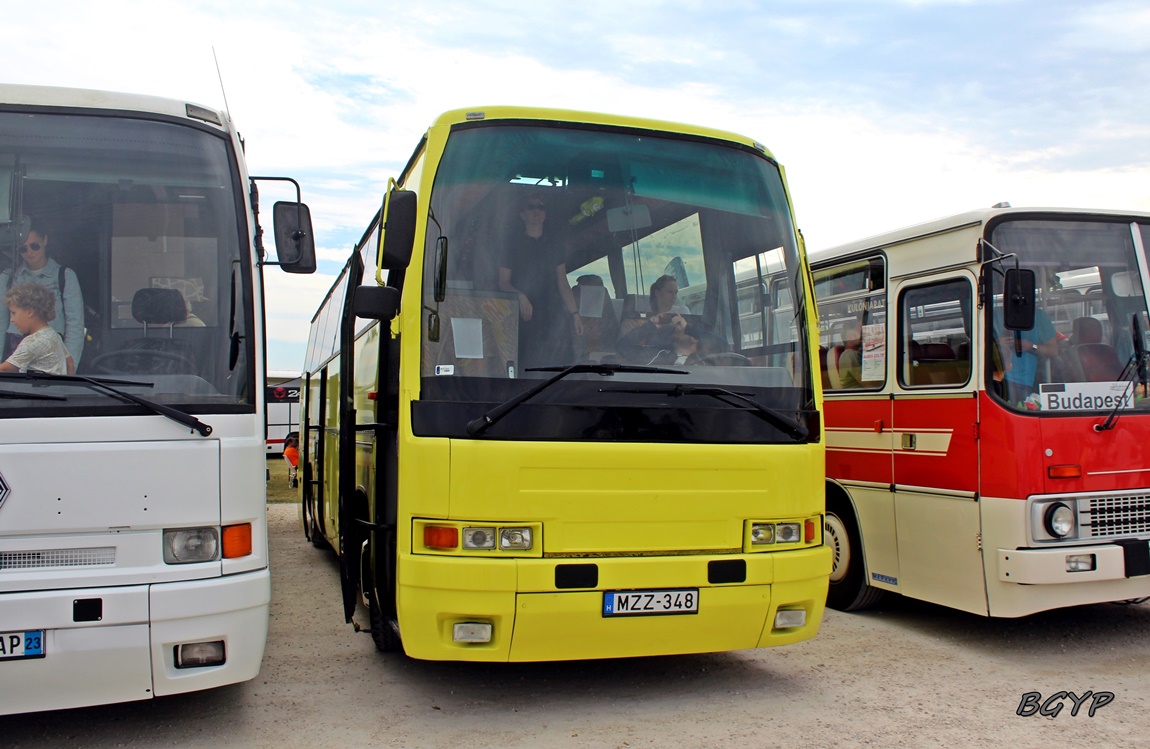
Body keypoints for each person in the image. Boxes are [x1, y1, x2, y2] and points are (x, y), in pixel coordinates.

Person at [498, 196, 582, 367]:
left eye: (540, 207)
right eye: (531, 207)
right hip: (524, 317)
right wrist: (520, 296)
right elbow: (503, 283)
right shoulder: (511, 244)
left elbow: (562, 281)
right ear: (523, 214)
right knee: (525, 363)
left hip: (552, 314)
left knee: (560, 363)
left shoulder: (554, 244)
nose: (536, 211)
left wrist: (575, 314)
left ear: (545, 214)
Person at [0, 218, 85, 370]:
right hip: (15, 352)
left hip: (49, 365)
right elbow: (0, 323)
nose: (29, 252)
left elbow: (75, 326)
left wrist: (67, 377)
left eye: (34, 246)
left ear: (45, 240)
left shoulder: (65, 276)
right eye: (23, 249)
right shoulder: (8, 278)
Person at [0, 281, 72, 375]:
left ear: (29, 312)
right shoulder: (53, 335)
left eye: (14, 313)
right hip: (57, 388)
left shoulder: (32, 342)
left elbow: (5, 369)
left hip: (39, 389)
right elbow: (70, 363)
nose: (12, 319)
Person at [617, 310, 724, 365]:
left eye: (679, 325)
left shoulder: (704, 362)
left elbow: (723, 344)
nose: (675, 327)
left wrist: (687, 327)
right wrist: (651, 325)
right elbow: (623, 348)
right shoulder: (656, 354)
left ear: (695, 338)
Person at [835, 320, 864, 389]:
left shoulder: (854, 353)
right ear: (851, 337)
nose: (863, 336)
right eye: (861, 333)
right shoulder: (849, 355)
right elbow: (869, 385)